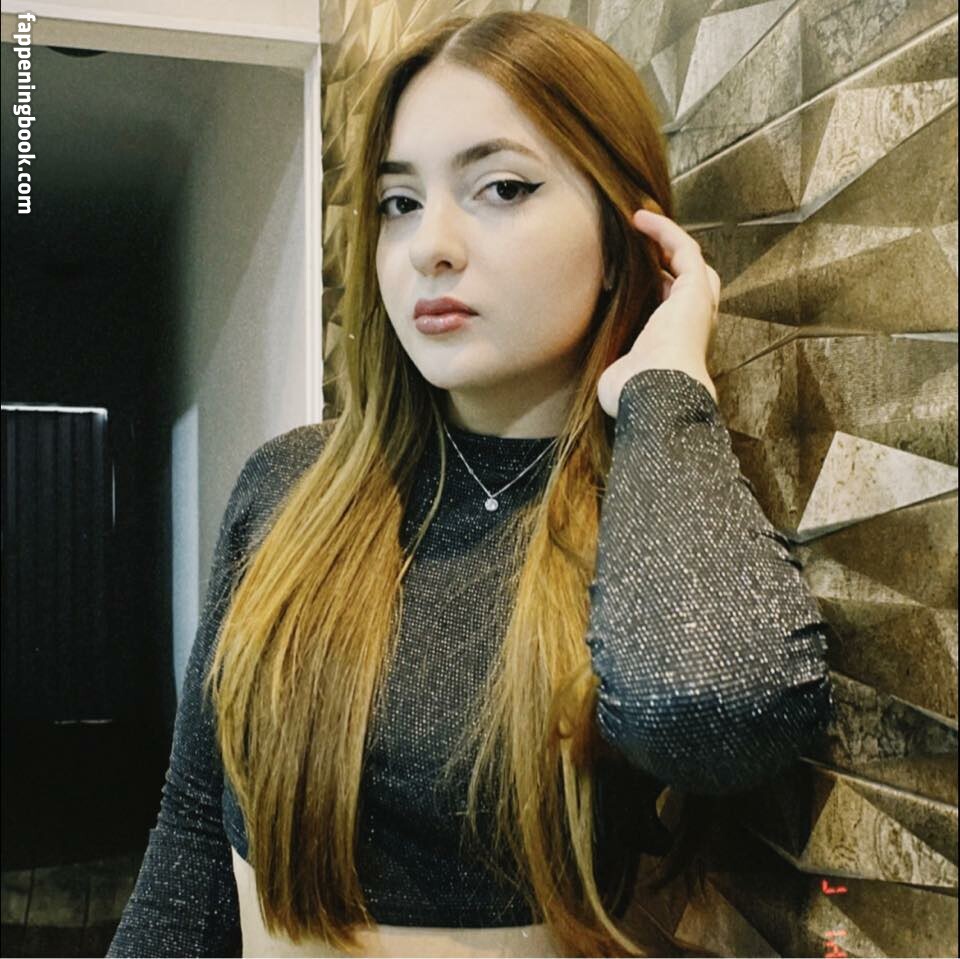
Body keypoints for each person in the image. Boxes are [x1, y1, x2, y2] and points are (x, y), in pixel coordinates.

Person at [107, 10, 834, 958]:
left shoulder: (654, 513)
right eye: (399, 202)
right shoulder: (290, 484)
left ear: (627, 235)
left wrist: (664, 389)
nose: (429, 246)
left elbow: (713, 714)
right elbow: (194, 828)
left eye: (501, 187)